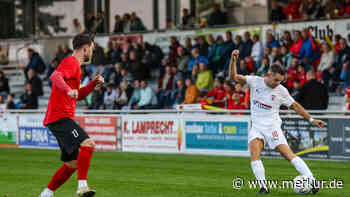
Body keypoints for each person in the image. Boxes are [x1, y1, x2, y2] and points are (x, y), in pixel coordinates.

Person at [229, 49, 324, 194]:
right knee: (254, 152)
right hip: (256, 127)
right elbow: (233, 77)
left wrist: (311, 119)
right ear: (269, 75)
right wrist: (233, 60)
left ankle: (311, 180)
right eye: (276, 80)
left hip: (272, 126)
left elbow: (295, 106)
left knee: (287, 154)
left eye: (281, 80)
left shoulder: (282, 91)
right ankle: (263, 187)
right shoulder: (255, 81)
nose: (278, 83)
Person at [39, 33, 104, 197]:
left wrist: (92, 84)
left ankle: (46, 194)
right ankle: (82, 187)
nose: (93, 52)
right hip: (60, 117)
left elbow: (79, 95)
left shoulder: (75, 66)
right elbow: (55, 76)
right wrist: (68, 90)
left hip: (58, 118)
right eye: (92, 48)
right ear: (85, 48)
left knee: (72, 163)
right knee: (88, 143)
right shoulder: (71, 62)